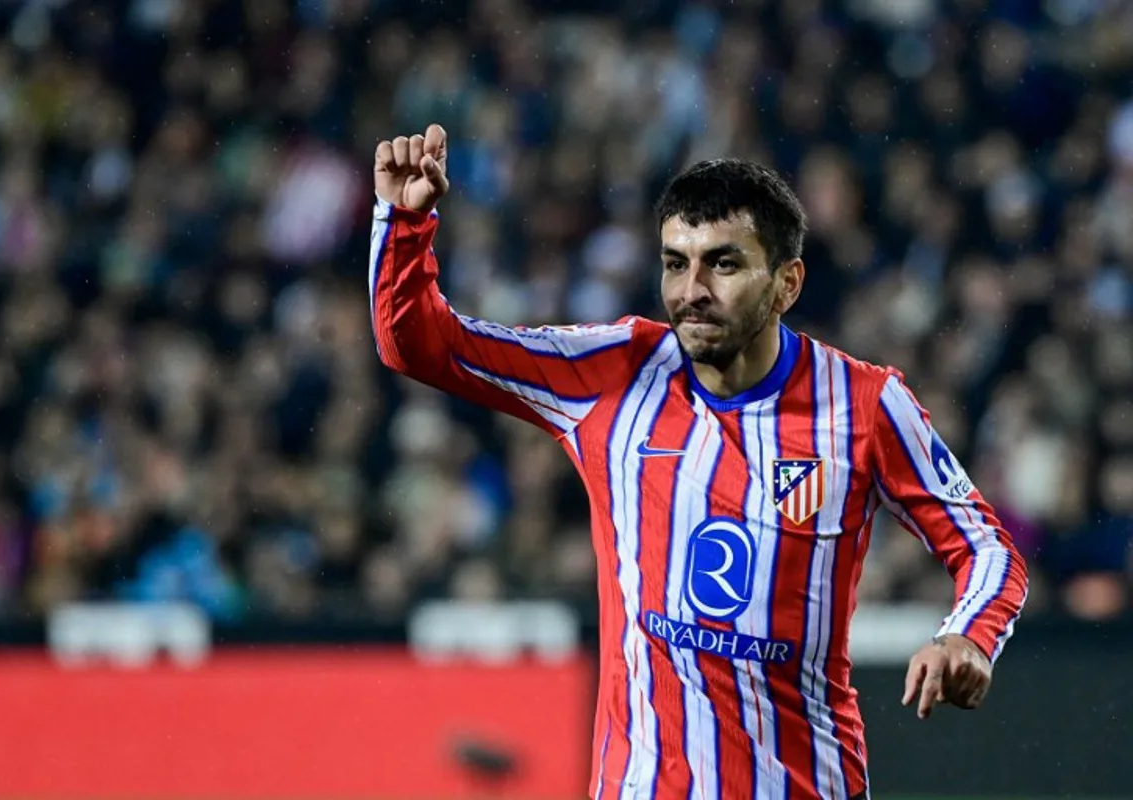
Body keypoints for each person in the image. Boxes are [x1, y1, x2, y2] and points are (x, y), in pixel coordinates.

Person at [370, 124, 1028, 800]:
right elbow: (421, 346)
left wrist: (968, 637)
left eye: (724, 263)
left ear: (786, 283)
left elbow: (987, 547)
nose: (693, 290)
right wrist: (405, 220)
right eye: (675, 263)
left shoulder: (863, 406)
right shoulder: (610, 373)